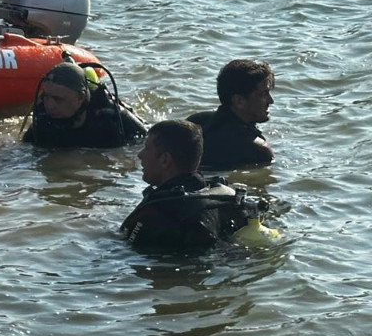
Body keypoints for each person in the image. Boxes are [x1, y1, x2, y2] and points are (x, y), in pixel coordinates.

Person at [121, 120, 253, 254]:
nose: (140, 154)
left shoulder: (157, 211)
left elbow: (126, 250)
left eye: (146, 148)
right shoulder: (223, 197)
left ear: (165, 159)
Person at [22, 62, 146, 149]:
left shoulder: (110, 117)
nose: (49, 105)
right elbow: (24, 150)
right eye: (46, 97)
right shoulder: (43, 118)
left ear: (80, 98)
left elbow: (147, 143)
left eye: (58, 99)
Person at [186, 59, 275, 170]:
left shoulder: (195, 123)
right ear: (239, 101)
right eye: (263, 94)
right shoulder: (257, 150)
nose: (271, 100)